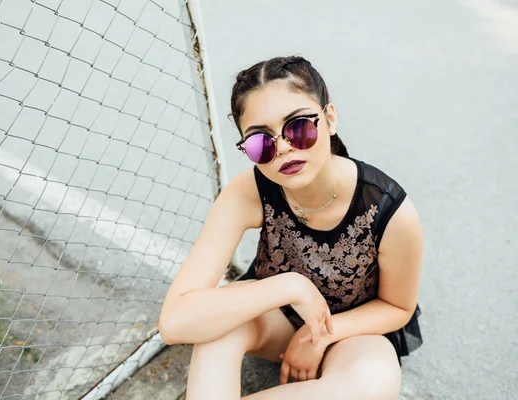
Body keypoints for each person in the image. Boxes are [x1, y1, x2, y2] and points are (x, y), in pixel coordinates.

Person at [158, 56, 423, 400]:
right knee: (216, 331)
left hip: (354, 333)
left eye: (298, 127)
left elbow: (398, 308)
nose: (282, 147)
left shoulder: (389, 209)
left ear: (329, 118)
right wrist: (291, 286)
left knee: (374, 385)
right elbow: (175, 322)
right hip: (275, 318)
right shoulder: (248, 192)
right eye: (260, 142)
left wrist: (320, 334)